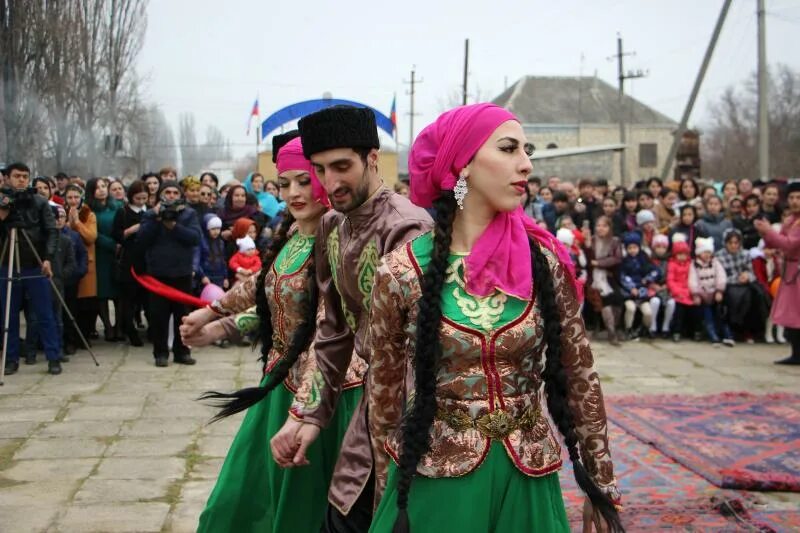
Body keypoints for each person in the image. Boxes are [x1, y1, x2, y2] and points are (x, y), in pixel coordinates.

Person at [359, 104, 621, 533]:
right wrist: (388, 492)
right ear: (461, 166)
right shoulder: (402, 271)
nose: (527, 164)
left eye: (527, 149)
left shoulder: (544, 262)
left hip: (528, 478)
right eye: (509, 148)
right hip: (436, 480)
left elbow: (580, 377)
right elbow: (384, 398)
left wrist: (601, 482)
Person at [180, 136, 366, 532]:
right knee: (240, 500)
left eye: (304, 180)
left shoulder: (341, 242)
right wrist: (212, 315)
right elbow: (267, 291)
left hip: (328, 395)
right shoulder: (294, 234)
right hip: (281, 381)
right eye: (285, 183)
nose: (294, 193)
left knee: (304, 508)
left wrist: (304, 411)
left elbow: (324, 330)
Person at [268, 105, 433, 532]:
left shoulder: (407, 227)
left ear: (372, 159)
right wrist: (307, 414)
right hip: (366, 411)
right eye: (320, 169)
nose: (330, 182)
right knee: (342, 515)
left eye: (342, 166)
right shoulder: (331, 226)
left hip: (416, 414)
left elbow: (423, 348)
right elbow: (334, 330)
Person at [0, 163, 63, 375]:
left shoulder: (39, 201)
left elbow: (52, 231)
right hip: (7, 265)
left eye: (25, 176)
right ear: (7, 178)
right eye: (16, 176)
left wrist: (48, 258)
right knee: (9, 317)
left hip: (34, 264)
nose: (21, 180)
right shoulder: (2, 200)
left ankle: (53, 357)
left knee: (44, 314)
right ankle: (11, 359)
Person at [137, 180, 202, 367]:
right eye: (168, 192)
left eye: (175, 192)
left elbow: (195, 238)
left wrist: (174, 227)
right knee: (158, 316)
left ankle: (182, 351)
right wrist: (156, 220)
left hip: (181, 272)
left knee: (183, 316)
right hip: (158, 275)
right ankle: (160, 353)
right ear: (161, 195)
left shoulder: (188, 214)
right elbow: (142, 240)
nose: (171, 195)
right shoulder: (150, 215)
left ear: (180, 195)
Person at [755, 183, 800, 363]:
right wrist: (765, 233)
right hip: (789, 271)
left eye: (798, 197)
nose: (795, 201)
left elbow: (789, 244)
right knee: (791, 315)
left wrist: (769, 232)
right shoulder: (790, 220)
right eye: (791, 198)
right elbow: (777, 242)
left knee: (797, 313)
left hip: (797, 270)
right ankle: (796, 354)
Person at [112, 180, 149, 346]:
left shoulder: (149, 211)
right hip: (129, 259)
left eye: (144, 198)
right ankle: (129, 330)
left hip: (148, 260)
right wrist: (131, 230)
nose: (141, 201)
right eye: (138, 198)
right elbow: (116, 235)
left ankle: (152, 329)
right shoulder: (123, 212)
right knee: (129, 299)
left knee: (148, 298)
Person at [86, 178, 122, 341]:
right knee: (102, 294)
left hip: (118, 254)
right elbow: (90, 232)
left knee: (119, 293)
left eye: (103, 186)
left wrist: (119, 243)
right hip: (99, 254)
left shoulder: (118, 206)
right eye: (97, 187)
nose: (101, 190)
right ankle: (107, 326)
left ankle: (119, 327)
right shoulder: (87, 210)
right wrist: (109, 244)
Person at [584, 215, 623, 345]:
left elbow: (616, 259)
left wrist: (599, 263)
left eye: (604, 226)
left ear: (609, 228)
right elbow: (588, 261)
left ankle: (613, 329)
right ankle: (606, 331)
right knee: (598, 300)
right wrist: (588, 246)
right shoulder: (591, 240)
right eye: (598, 225)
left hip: (609, 276)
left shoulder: (615, 241)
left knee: (615, 299)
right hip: (593, 278)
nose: (601, 228)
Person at [689, 237, 732, 346]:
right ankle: (713, 336)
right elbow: (692, 280)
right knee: (708, 317)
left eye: (708, 252)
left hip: (715, 294)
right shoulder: (694, 265)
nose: (707, 255)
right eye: (704, 252)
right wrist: (696, 294)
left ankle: (727, 335)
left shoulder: (716, 263)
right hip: (703, 296)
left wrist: (719, 290)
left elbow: (721, 276)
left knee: (721, 316)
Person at [619, 231, 658, 340]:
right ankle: (628, 329)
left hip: (642, 292)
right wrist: (631, 288)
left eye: (635, 247)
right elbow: (622, 277)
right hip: (629, 292)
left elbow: (655, 271)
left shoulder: (644, 259)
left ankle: (645, 328)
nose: (632, 250)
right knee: (630, 308)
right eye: (630, 248)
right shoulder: (624, 262)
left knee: (648, 312)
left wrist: (647, 280)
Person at [666, 237, 694, 342]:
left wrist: (690, 291)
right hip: (677, 293)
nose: (682, 257)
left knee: (693, 309)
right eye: (679, 254)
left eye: (684, 254)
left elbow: (692, 279)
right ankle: (676, 331)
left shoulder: (690, 265)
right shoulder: (672, 264)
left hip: (688, 291)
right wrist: (677, 292)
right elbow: (670, 280)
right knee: (679, 311)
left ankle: (691, 331)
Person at [648, 234, 675, 339]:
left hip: (666, 288)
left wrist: (667, 285)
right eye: (658, 247)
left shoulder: (669, 262)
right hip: (652, 288)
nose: (660, 250)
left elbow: (672, 275)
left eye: (663, 247)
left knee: (671, 302)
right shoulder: (650, 261)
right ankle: (652, 326)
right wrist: (653, 285)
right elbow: (645, 276)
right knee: (655, 301)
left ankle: (666, 327)